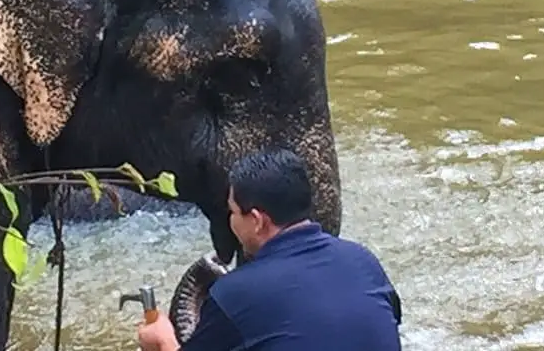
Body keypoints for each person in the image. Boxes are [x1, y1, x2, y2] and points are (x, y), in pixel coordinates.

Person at [137, 147, 402, 351]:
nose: (230, 221)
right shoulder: (364, 261)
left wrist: (163, 341)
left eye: (233, 212)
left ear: (257, 220)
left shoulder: (235, 293)